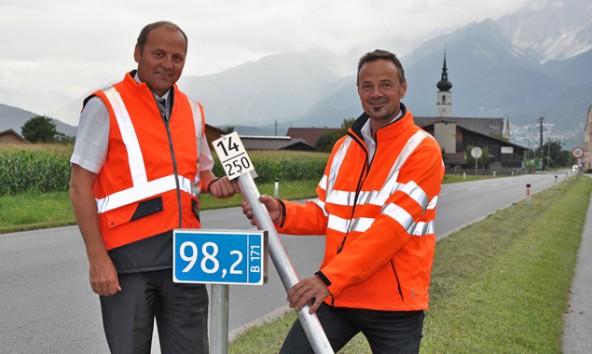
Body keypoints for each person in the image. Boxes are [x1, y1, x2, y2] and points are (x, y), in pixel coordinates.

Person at [242, 49, 445, 353]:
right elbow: (326, 213)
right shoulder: (344, 147)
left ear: (403, 88)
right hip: (339, 297)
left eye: (386, 85)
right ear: (359, 91)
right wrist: (282, 213)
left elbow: (390, 231)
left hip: (394, 304)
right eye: (367, 86)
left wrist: (327, 279)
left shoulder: (422, 150)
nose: (376, 93)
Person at [69, 21, 239, 354]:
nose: (168, 64)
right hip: (129, 259)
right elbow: (79, 187)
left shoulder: (193, 110)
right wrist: (97, 259)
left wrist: (216, 185)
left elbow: (200, 175)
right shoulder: (105, 105)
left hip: (186, 257)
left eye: (177, 57)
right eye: (158, 53)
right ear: (138, 53)